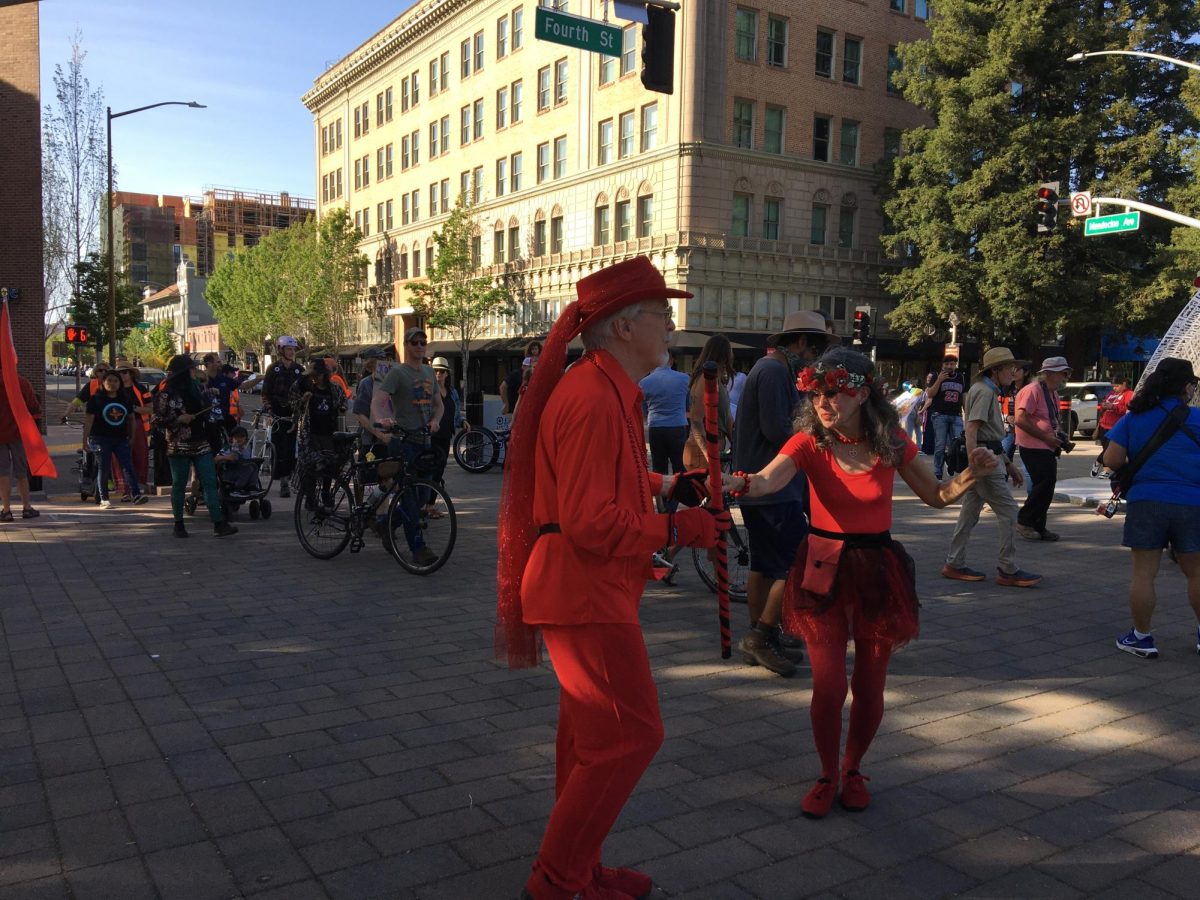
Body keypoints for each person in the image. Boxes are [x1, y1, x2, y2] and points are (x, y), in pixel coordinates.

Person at [496, 256, 726, 900]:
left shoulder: (603, 388)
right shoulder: (595, 396)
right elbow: (593, 522)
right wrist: (682, 529)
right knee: (630, 735)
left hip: (584, 590)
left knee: (590, 742)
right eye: (661, 312)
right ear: (625, 328)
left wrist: (672, 484)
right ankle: (557, 880)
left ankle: (581, 870)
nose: (671, 322)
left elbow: (611, 481)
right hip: (584, 591)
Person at [730, 347, 998, 818]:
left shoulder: (890, 440)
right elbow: (769, 481)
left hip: (877, 568)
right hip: (822, 563)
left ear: (863, 392)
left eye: (833, 393)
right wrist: (738, 483)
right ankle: (826, 773)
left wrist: (970, 474)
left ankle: (853, 769)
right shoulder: (808, 442)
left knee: (870, 685)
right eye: (816, 394)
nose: (823, 403)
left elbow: (937, 496)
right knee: (829, 686)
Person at [732, 310, 832, 677]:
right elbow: (778, 431)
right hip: (772, 486)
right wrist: (815, 435)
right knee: (792, 564)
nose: (815, 358)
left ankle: (763, 633)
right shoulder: (773, 371)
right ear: (801, 342)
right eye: (814, 348)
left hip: (763, 484)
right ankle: (761, 635)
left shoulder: (770, 369)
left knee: (763, 564)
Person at [1102, 358, 1200, 659]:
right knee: (1196, 572)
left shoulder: (1134, 418)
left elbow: (1112, 461)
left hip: (1146, 500)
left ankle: (1141, 638)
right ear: (1186, 387)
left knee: (1144, 573)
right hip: (1193, 503)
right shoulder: (1198, 417)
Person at [943, 348, 1042, 587]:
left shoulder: (987, 390)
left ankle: (954, 563)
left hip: (988, 458)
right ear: (995, 370)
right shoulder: (985, 391)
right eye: (1010, 367)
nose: (1014, 372)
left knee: (969, 514)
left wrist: (1007, 463)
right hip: (985, 461)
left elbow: (987, 435)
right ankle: (1007, 568)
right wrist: (975, 463)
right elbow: (972, 431)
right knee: (1009, 512)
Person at [154, 354, 237, 538]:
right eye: (192, 369)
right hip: (179, 444)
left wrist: (210, 394)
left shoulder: (196, 387)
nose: (195, 371)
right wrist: (177, 419)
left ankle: (218, 523)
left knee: (209, 481)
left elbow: (201, 403)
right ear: (184, 372)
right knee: (179, 484)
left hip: (201, 440)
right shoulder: (166, 393)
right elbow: (157, 420)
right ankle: (178, 524)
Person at [380, 327, 443, 566]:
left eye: (423, 342)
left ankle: (385, 523)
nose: (419, 346)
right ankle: (418, 548)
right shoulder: (397, 373)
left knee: (422, 497)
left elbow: (439, 405)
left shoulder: (429, 372)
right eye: (415, 342)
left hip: (424, 441)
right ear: (406, 346)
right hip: (403, 443)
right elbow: (379, 400)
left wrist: (436, 420)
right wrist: (384, 419)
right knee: (408, 498)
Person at [1015, 356, 1072, 542]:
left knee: (1046, 485)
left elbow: (1051, 419)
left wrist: (1059, 435)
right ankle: (1025, 520)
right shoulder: (1032, 390)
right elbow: (1020, 419)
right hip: (1033, 445)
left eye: (1066, 373)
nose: (1065, 377)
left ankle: (1038, 526)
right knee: (1045, 485)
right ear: (1048, 374)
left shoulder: (1051, 393)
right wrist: (1045, 437)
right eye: (1062, 373)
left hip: (1046, 445)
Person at [82, 369, 149, 509]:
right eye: (109, 381)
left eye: (115, 381)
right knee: (103, 468)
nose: (112, 384)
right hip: (100, 438)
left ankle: (136, 495)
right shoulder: (96, 399)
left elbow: (131, 419)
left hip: (120, 439)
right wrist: (85, 440)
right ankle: (104, 499)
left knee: (128, 466)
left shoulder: (125, 399)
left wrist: (132, 437)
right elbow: (88, 421)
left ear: (120, 383)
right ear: (104, 382)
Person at [640, 352, 690, 497]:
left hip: (656, 426)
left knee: (659, 467)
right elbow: (688, 406)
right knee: (679, 465)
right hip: (678, 426)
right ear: (672, 361)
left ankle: (662, 504)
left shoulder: (645, 382)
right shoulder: (684, 379)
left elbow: (644, 409)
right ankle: (679, 497)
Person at [262, 335, 304, 498]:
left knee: (291, 448)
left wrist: (299, 413)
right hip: (278, 413)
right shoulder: (273, 369)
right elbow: (265, 393)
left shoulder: (299, 370)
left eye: (293, 349)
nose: (292, 352)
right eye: (288, 349)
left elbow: (303, 391)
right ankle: (282, 480)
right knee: (278, 448)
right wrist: (270, 411)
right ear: (280, 350)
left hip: (293, 414)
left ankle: (289, 478)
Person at [683, 335, 734, 469]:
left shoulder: (717, 380)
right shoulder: (705, 379)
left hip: (713, 448)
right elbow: (696, 420)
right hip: (702, 451)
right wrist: (708, 452)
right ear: (725, 354)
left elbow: (728, 418)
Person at [0, 364, 41, 522]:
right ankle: (26, 507)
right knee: (21, 472)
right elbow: (35, 409)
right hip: (19, 434)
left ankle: (6, 510)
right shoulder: (22, 383)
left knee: (2, 473)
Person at [921, 353, 966, 479]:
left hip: (956, 415)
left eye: (952, 364)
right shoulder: (936, 376)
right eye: (947, 364)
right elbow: (930, 394)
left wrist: (966, 412)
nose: (949, 366)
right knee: (940, 445)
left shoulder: (960, 377)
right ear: (942, 365)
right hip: (939, 414)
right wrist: (940, 380)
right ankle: (937, 472)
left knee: (957, 444)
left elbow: (963, 396)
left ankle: (952, 464)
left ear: (955, 365)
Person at [114, 359, 151, 498]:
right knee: (119, 458)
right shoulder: (114, 389)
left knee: (139, 455)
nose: (121, 375)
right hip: (118, 426)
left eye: (124, 372)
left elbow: (151, 408)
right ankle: (125, 490)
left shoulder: (141, 389)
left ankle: (139, 484)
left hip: (138, 424)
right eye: (119, 373)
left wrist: (134, 409)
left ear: (131, 374)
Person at [1093, 375, 1134, 477]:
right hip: (1104, 425)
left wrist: (1114, 407)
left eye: (1117, 386)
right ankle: (1101, 465)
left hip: (1115, 426)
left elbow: (1128, 409)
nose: (1114, 388)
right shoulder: (1111, 394)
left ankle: (1104, 469)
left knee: (1109, 449)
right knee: (1105, 448)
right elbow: (1103, 408)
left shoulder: (1129, 394)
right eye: (1113, 386)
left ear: (1124, 384)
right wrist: (1103, 406)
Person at [501, 340, 542, 416]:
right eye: (532, 349)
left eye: (536, 349)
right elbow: (503, 387)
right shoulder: (520, 374)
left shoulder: (541, 359)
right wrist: (505, 404)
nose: (534, 351)